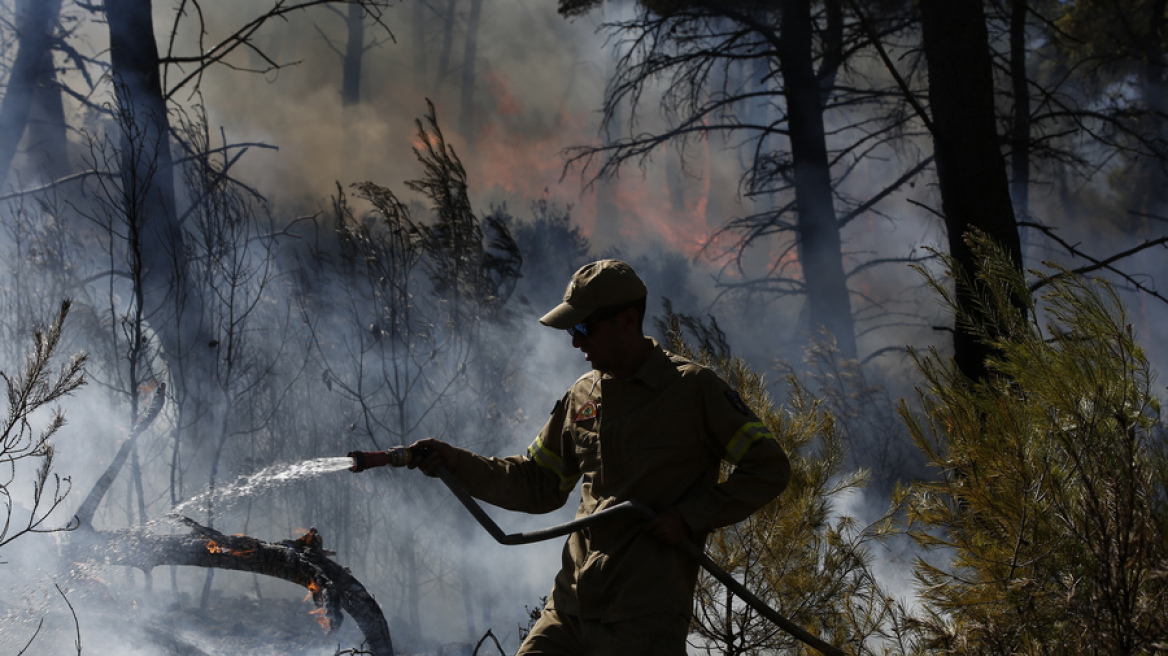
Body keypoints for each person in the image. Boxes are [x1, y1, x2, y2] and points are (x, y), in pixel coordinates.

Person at [411, 259, 791, 656]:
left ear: (627, 321)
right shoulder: (583, 395)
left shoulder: (694, 390)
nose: (576, 342)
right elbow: (538, 484)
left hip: (643, 621)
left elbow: (769, 468)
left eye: (584, 328)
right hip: (570, 608)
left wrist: (689, 517)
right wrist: (456, 463)